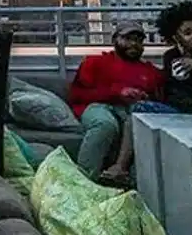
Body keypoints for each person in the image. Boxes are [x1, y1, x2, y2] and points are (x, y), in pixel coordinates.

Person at [68, 21, 164, 183]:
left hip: (131, 111)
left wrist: (144, 97)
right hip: (98, 106)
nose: (133, 44)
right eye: (127, 38)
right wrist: (117, 92)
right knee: (105, 125)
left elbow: (159, 101)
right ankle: (83, 181)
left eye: (138, 40)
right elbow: (77, 95)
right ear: (115, 40)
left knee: (140, 125)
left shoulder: (151, 71)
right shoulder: (95, 62)